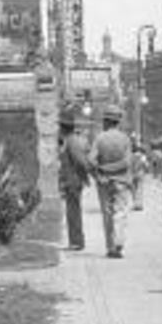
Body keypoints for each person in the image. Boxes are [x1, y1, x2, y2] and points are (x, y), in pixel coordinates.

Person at [91, 105, 133, 258]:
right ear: (118, 121)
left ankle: (110, 247)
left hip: (104, 182)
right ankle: (118, 243)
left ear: (106, 121)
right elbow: (127, 163)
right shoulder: (125, 139)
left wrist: (101, 171)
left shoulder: (100, 138)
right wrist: (113, 169)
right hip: (122, 182)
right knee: (120, 213)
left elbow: (91, 160)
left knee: (107, 214)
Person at [58, 106, 93, 251]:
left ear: (63, 128)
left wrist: (86, 176)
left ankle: (77, 241)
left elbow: (80, 161)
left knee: (73, 212)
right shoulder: (69, 141)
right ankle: (75, 240)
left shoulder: (72, 142)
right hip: (71, 181)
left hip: (73, 181)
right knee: (72, 212)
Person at [131, 143, 150, 212]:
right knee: (139, 189)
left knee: (133, 190)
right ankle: (139, 205)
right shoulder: (142, 156)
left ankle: (135, 204)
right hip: (140, 174)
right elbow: (146, 165)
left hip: (132, 174)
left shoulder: (130, 156)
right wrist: (147, 170)